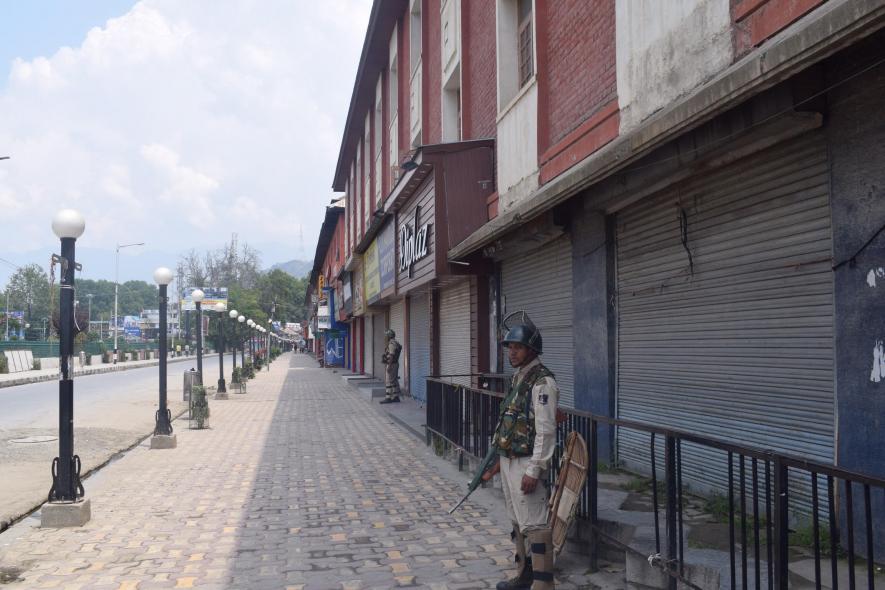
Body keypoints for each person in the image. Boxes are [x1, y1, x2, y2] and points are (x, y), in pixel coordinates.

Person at [483, 313, 559, 590]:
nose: (511, 353)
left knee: (535, 525)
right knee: (518, 521)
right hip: (510, 460)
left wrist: (534, 469)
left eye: (518, 348)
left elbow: (546, 431)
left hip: (526, 462)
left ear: (532, 350)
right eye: (510, 347)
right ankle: (524, 577)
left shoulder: (542, 382)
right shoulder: (519, 377)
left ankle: (543, 584)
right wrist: (497, 462)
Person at [379, 328, 402, 404]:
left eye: (386, 336)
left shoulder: (391, 344)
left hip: (392, 364)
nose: (385, 337)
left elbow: (391, 355)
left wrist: (389, 366)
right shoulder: (395, 342)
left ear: (389, 336)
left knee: (389, 381)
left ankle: (388, 398)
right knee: (393, 381)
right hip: (394, 364)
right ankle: (396, 397)